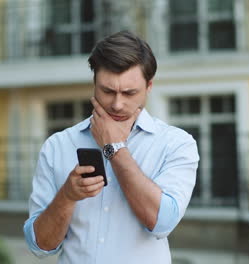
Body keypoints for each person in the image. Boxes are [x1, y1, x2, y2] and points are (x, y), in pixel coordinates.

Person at [24, 30, 199, 264]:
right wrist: (67, 196)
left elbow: (162, 223)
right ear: (94, 83)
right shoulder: (58, 146)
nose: (117, 104)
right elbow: (40, 246)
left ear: (149, 86)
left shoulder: (177, 144)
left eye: (129, 93)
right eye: (107, 91)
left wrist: (113, 147)